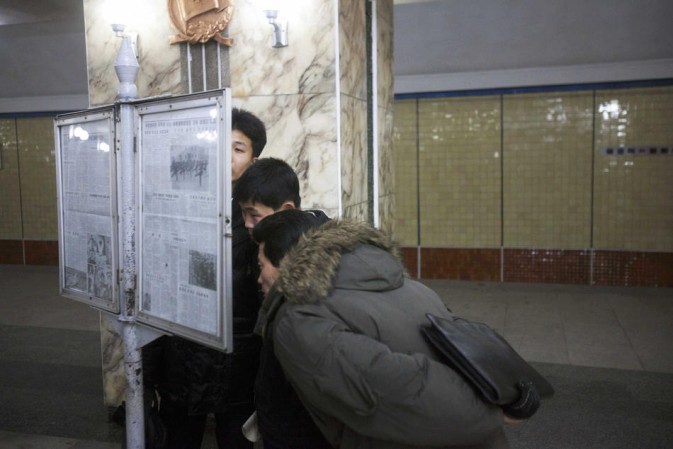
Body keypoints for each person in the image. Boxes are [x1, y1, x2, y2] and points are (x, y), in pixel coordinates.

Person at [252, 215, 514, 449]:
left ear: (287, 263)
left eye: (261, 265)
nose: (258, 278)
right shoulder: (412, 288)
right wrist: (505, 395)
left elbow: (399, 387)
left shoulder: (300, 321)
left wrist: (492, 410)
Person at [142, 108, 266, 449]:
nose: (225, 156)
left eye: (238, 149)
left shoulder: (257, 224)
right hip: (180, 363)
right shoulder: (174, 210)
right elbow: (157, 297)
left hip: (238, 368)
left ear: (253, 162)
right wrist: (147, 376)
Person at [232, 163, 330, 449]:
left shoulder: (317, 256)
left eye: (254, 215)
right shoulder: (261, 243)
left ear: (286, 210)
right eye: (242, 213)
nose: (247, 223)